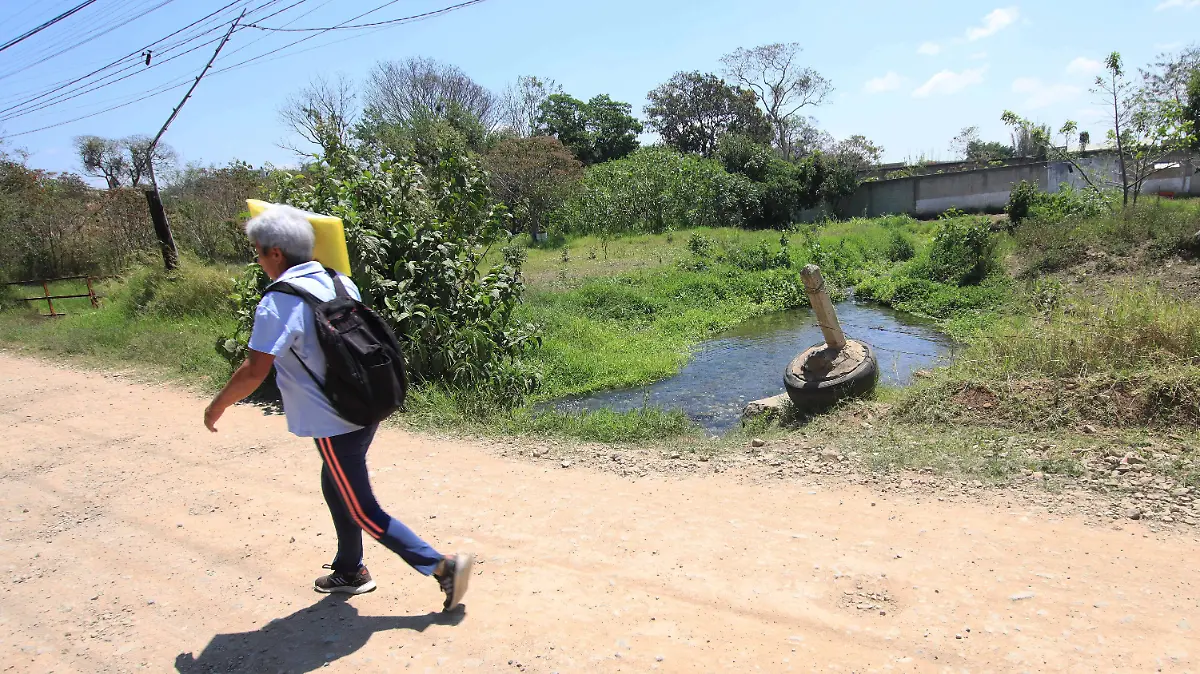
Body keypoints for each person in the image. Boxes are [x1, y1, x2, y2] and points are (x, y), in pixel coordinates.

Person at [203, 204, 472, 611]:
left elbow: (254, 371)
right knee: (336, 483)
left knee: (362, 509)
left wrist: (217, 405)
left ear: (276, 252)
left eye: (258, 253)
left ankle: (441, 566)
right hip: (368, 402)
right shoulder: (339, 281)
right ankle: (350, 570)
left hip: (334, 420)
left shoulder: (280, 301)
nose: (258, 261)